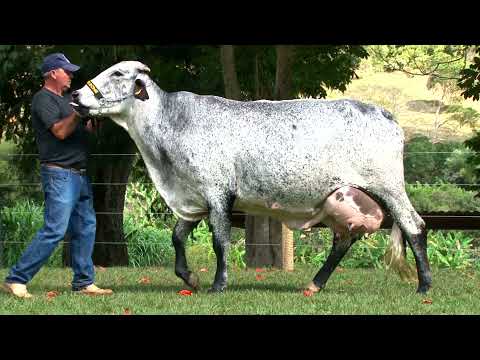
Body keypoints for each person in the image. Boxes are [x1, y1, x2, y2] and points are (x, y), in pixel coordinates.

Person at [2, 53, 112, 298]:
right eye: (67, 71)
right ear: (53, 73)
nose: (71, 75)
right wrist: (77, 113)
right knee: (55, 229)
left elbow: (84, 133)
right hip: (59, 174)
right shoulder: (43, 100)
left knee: (86, 227)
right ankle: (16, 279)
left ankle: (84, 282)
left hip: (79, 174)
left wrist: (93, 118)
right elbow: (60, 132)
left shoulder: (66, 100)